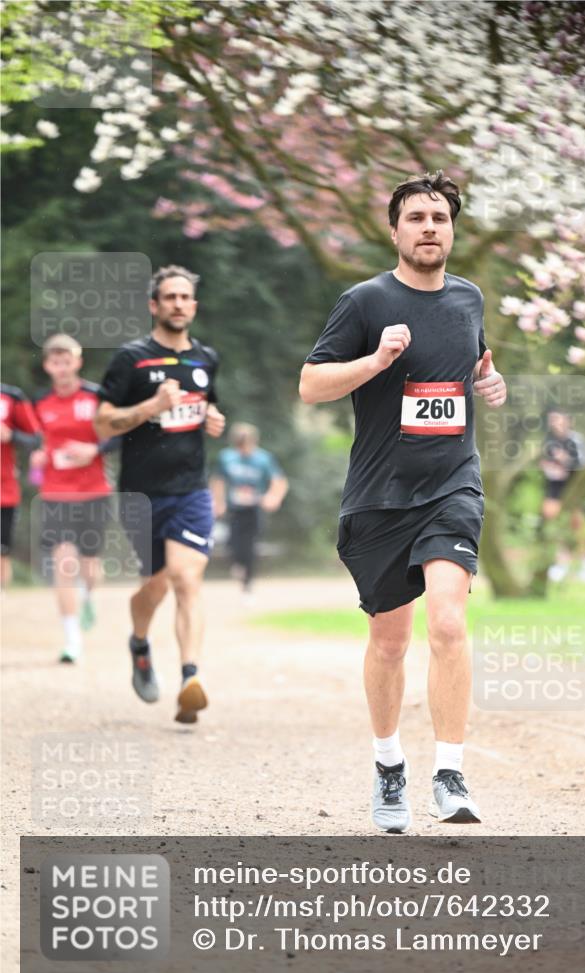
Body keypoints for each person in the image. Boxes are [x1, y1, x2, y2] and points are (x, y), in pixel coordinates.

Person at [299, 170, 506, 832]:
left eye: (439, 218)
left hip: (451, 484)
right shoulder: (363, 302)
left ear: (452, 229)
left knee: (446, 622)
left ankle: (450, 772)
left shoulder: (468, 299)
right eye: (415, 217)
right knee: (388, 642)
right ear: (394, 230)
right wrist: (374, 363)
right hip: (379, 495)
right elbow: (310, 385)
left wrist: (489, 382)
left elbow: (470, 369)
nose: (428, 228)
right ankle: (389, 765)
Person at [95, 264, 225, 724]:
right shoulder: (131, 359)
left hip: (190, 489)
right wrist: (151, 406)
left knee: (187, 579)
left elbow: (208, 411)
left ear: (194, 305)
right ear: (154, 305)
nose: (177, 304)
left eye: (184, 297)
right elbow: (102, 422)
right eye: (169, 297)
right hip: (140, 494)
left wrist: (213, 421)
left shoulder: (206, 359)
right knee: (153, 584)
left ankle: (191, 678)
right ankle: (140, 643)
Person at [31, 335, 116, 662]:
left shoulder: (97, 397)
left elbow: (122, 436)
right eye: (55, 361)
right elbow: (32, 438)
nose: (62, 367)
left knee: (89, 567)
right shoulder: (39, 403)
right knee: (63, 563)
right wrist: (37, 454)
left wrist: (93, 449)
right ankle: (71, 639)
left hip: (94, 491)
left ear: (77, 362)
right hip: (55, 493)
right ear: (48, 366)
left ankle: (89, 596)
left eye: (67, 360)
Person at [211, 423, 288, 594]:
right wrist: (219, 502)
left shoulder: (263, 459)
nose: (243, 449)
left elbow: (279, 481)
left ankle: (248, 582)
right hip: (234, 509)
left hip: (254, 509)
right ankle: (238, 566)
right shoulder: (226, 457)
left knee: (251, 545)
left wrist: (273, 497)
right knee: (232, 543)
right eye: (239, 445)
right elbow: (218, 481)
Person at [539, 408, 585, 583]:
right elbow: (542, 461)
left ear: (569, 421)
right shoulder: (548, 441)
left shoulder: (575, 440)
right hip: (554, 489)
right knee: (552, 523)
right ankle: (561, 562)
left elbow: (584, 464)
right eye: (552, 420)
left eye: (559, 420)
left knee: (577, 526)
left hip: (572, 489)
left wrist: (566, 460)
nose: (555, 423)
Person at [0, 383, 41, 587]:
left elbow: (36, 439)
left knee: (1, 551)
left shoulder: (11, 396)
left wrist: (11, 435)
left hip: (4, 489)